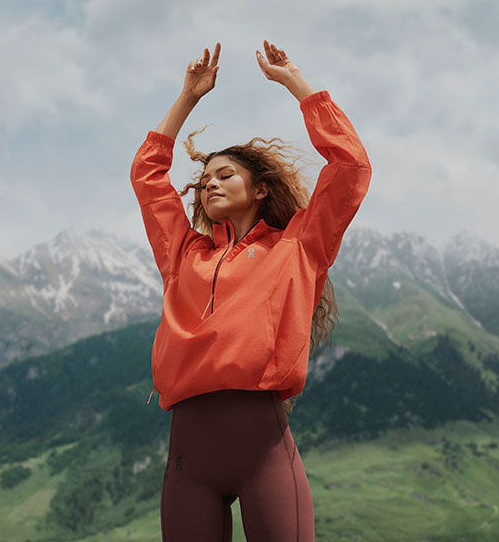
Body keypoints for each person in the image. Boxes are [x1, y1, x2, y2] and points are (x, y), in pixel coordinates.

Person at [130, 40, 370, 541]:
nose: (208, 185)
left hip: (262, 451)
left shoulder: (298, 246)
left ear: (259, 189)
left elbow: (350, 168)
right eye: (203, 179)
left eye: (225, 174)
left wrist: (296, 83)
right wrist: (187, 97)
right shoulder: (184, 255)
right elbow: (147, 176)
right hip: (187, 459)